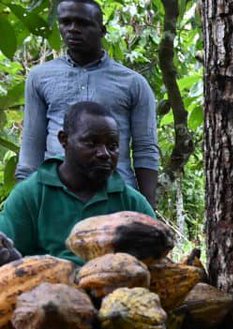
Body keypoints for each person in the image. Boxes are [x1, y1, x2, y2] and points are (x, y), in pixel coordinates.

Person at [17, 0, 159, 203]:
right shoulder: (40, 77)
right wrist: (25, 198)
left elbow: (145, 149)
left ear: (102, 30)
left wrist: (147, 206)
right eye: (66, 22)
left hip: (115, 193)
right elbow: (32, 144)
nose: (72, 29)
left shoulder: (133, 83)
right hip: (55, 193)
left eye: (83, 23)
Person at [0, 101, 155, 264]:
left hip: (117, 287)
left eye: (112, 146)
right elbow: (7, 250)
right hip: (42, 286)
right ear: (64, 140)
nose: (104, 153)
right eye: (91, 143)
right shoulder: (31, 194)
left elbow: (158, 263)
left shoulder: (132, 203)